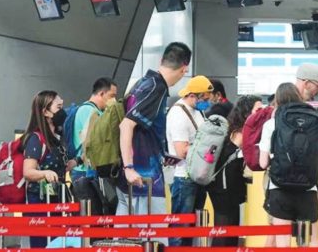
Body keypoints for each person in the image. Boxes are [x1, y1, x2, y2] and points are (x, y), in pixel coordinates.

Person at [118, 42, 192, 246]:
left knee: (125, 244)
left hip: (134, 179)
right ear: (185, 69)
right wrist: (129, 167)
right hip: (144, 181)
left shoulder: (142, 83)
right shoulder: (156, 88)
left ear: (162, 60)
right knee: (152, 244)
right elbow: (126, 126)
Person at [259, 83, 318, 247]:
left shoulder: (271, 124)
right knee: (312, 240)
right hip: (308, 189)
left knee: (283, 242)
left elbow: (263, 163)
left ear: (277, 100)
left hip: (279, 188)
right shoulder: (316, 122)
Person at [207, 95, 262, 247]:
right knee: (225, 228)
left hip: (226, 183)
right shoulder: (242, 130)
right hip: (224, 184)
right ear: (247, 111)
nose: (261, 112)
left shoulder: (236, 127)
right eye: (257, 109)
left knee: (230, 228)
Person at [167, 75, 214, 247]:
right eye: (205, 98)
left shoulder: (197, 111)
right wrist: (207, 149)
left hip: (197, 176)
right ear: (193, 95)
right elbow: (181, 150)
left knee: (192, 228)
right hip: (184, 177)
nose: (207, 102)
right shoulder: (179, 114)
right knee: (180, 228)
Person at [22, 90, 67, 248]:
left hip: (56, 199)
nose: (62, 112)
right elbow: (28, 172)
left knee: (57, 243)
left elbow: (57, 166)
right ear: (46, 112)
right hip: (40, 201)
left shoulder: (58, 137)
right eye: (58, 107)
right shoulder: (35, 138)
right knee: (43, 245)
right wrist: (45, 173)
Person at [68, 78, 118, 182]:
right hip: (85, 171)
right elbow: (91, 142)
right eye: (112, 96)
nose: (114, 100)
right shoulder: (89, 111)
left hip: (87, 169)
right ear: (101, 93)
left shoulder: (95, 110)